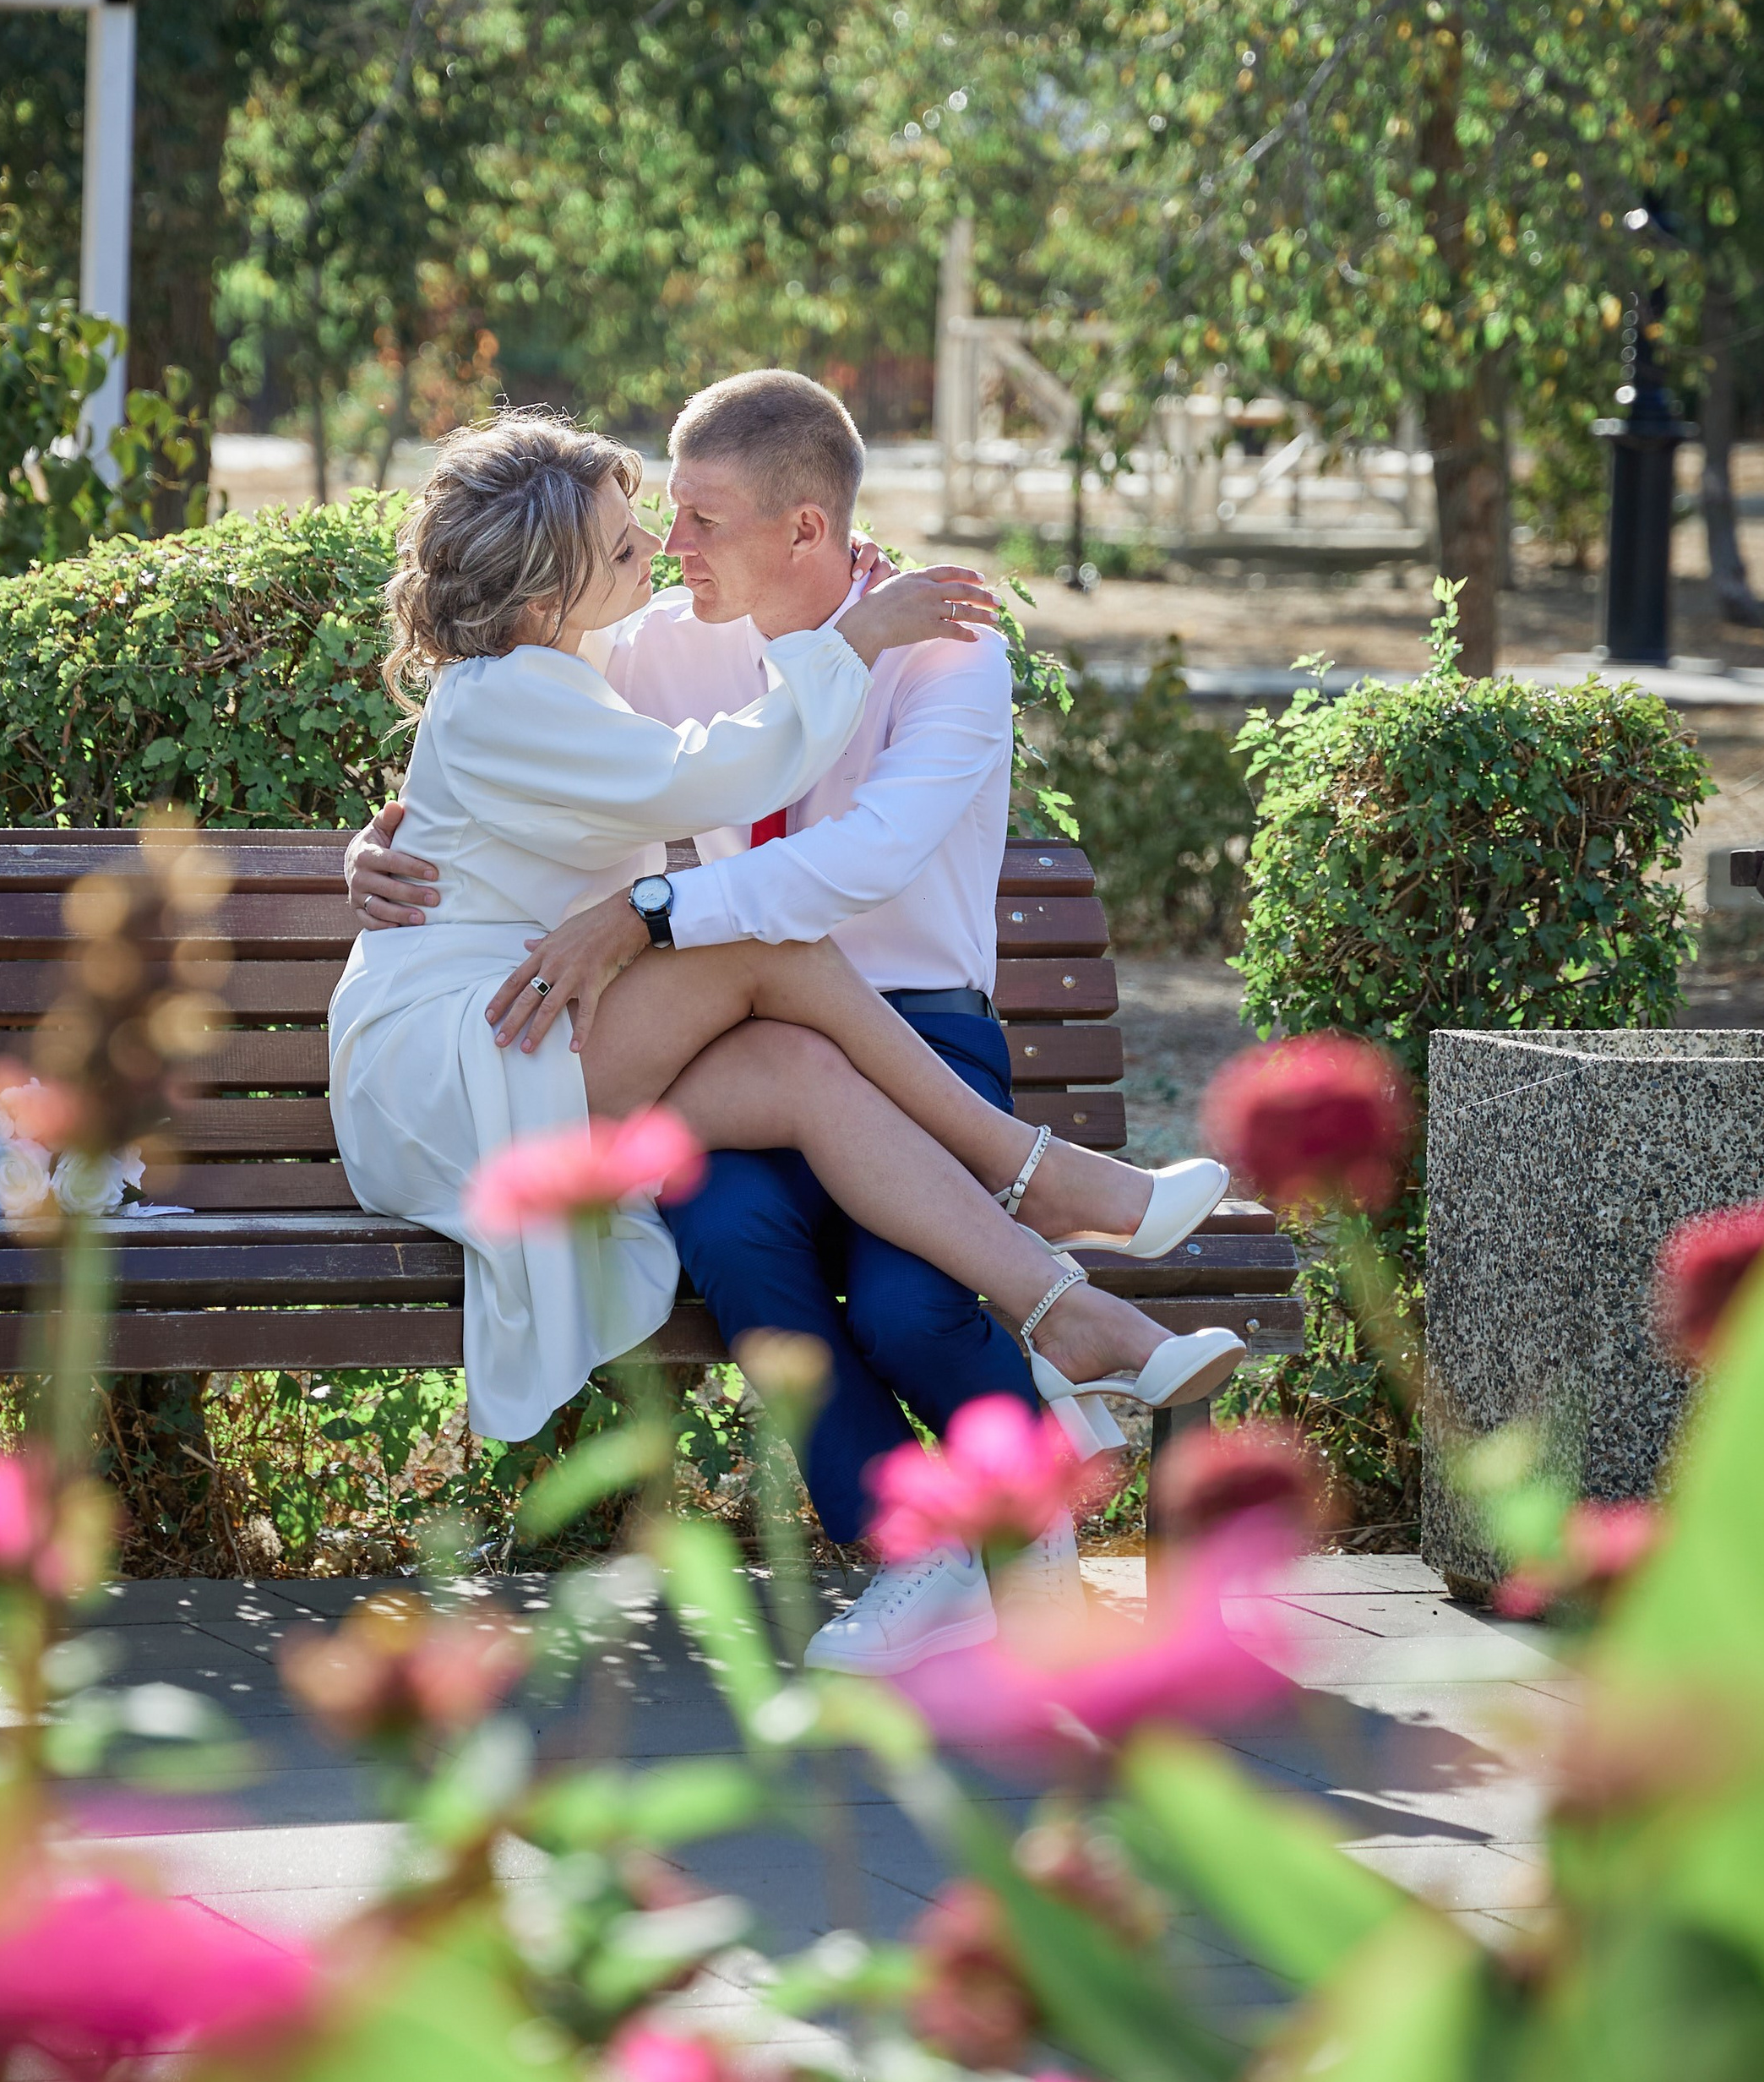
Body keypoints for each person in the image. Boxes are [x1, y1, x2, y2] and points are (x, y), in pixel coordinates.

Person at [345, 378, 1235, 1673]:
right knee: (742, 1243)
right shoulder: (650, 642)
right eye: (646, 530)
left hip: (914, 1031)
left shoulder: (944, 641)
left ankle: (1025, 1519)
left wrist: (649, 910)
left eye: (696, 520)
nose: (668, 551)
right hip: (628, 1031)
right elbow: (489, 773)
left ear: (805, 527)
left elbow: (857, 862)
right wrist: (366, 856)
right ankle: (1019, 1305)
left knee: (912, 1305)